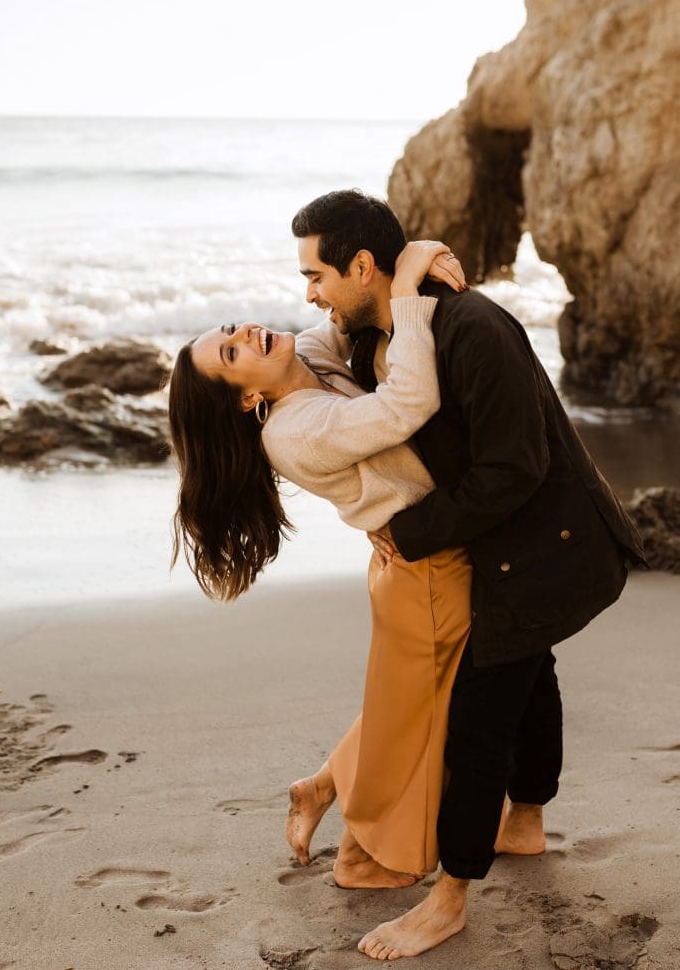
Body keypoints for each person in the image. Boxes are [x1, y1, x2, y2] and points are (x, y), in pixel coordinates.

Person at [290, 189, 646, 961]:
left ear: (361, 266)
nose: (310, 294)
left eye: (316, 275)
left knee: (477, 719)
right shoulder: (372, 329)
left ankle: (448, 899)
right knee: (531, 672)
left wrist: (407, 531)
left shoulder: (470, 326)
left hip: (539, 547)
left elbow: (513, 468)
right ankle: (525, 823)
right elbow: (303, 353)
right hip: (486, 546)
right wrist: (412, 261)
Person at [167, 240, 477, 890]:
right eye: (232, 354)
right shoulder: (293, 430)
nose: (245, 334)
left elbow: (344, 312)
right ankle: (363, 858)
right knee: (412, 718)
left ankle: (320, 788)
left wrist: (407, 255)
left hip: (421, 556)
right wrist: (407, 290)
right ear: (245, 398)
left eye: (231, 329)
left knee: (410, 704)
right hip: (421, 568)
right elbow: (405, 405)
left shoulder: (305, 356)